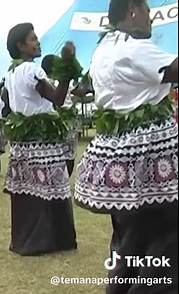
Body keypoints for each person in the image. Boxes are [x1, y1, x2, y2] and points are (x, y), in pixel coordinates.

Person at [75, 1, 178, 293]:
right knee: (166, 235)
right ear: (133, 10)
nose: (151, 19)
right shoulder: (133, 48)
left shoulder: (104, 48)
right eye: (148, 11)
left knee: (130, 237)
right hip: (148, 157)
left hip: (119, 154)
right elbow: (173, 69)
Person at [2, 23, 77, 255]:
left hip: (23, 144)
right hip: (43, 143)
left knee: (28, 192)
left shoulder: (11, 73)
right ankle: (52, 240)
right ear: (21, 46)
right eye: (33, 39)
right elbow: (57, 97)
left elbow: (7, 105)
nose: (38, 42)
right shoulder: (32, 71)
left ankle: (25, 240)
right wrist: (66, 69)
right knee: (48, 189)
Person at [41, 51, 90, 176]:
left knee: (53, 151)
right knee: (68, 154)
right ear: (54, 67)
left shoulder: (42, 82)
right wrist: (87, 79)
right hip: (66, 121)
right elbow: (81, 92)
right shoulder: (63, 81)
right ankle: (64, 180)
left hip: (50, 121)